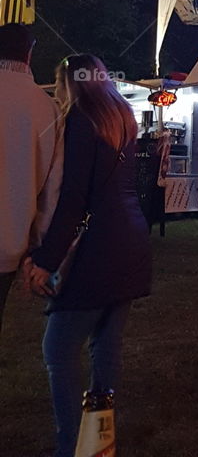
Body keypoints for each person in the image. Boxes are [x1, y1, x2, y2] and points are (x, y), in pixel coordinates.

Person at [25, 54, 152, 457]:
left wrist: (45, 260)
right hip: (130, 239)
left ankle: (71, 446)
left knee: (58, 350)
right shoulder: (121, 116)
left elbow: (74, 199)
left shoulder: (82, 120)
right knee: (106, 349)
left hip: (98, 248)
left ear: (71, 84)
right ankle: (100, 442)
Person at [0, 23, 63, 330]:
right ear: (30, 52)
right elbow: (52, 191)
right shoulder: (47, 108)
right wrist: (36, 246)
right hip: (10, 242)